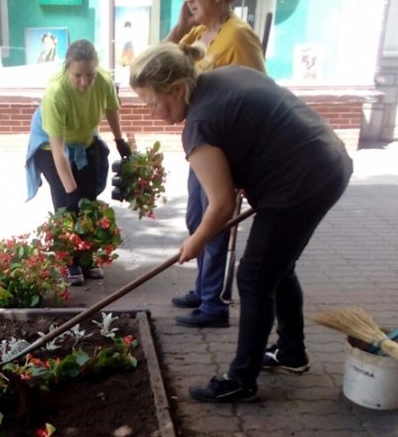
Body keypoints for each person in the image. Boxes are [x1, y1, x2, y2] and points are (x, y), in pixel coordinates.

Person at [129, 42, 353, 402]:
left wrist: (196, 241)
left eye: (153, 101)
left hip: (301, 181)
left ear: (176, 88)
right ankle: (291, 352)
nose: (153, 111)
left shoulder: (199, 124)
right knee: (277, 267)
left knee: (253, 277)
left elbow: (220, 205)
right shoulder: (225, 77)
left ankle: (241, 379)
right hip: (328, 161)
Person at [166, 0, 266, 329]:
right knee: (196, 218)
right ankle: (202, 287)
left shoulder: (238, 36)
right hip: (202, 146)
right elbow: (159, 62)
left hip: (225, 149)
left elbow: (260, 93)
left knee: (216, 220)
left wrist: (246, 159)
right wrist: (179, 24)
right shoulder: (199, 33)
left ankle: (214, 304)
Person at [25, 38, 131, 285]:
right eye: (78, 75)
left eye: (89, 75)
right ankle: (69, 261)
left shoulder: (102, 80)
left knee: (89, 198)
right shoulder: (56, 92)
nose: (84, 82)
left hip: (84, 140)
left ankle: (86, 256)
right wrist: (71, 190)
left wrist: (119, 139)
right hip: (51, 146)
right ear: (67, 68)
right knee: (66, 202)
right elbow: (58, 151)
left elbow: (111, 108)